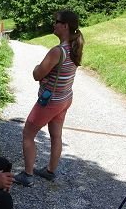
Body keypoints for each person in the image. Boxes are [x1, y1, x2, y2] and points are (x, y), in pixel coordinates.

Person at [14, 10, 84, 187]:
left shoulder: (57, 51)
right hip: (65, 98)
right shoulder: (74, 48)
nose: (54, 24)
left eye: (56, 22)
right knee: (56, 135)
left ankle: (27, 175)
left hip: (50, 102)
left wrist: (37, 66)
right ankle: (50, 171)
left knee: (28, 134)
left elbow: (37, 74)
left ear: (65, 26)